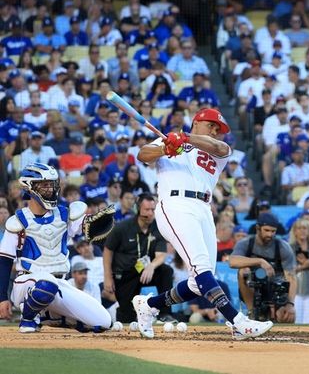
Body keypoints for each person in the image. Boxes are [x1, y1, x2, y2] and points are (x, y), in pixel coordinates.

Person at [132, 108, 272, 339]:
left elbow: (218, 147)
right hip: (175, 204)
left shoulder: (219, 150)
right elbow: (143, 154)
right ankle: (238, 321)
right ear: (197, 122)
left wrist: (184, 138)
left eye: (219, 129)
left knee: (200, 282)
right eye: (212, 126)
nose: (216, 132)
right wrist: (164, 147)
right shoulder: (169, 140)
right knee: (201, 268)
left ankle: (149, 305)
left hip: (203, 209)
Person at [0, 163, 112, 333]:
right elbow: (4, 262)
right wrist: (2, 298)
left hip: (59, 282)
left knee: (103, 321)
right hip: (27, 283)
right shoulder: (17, 221)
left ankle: (53, 317)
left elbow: (87, 226)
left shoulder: (65, 214)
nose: (50, 189)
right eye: (44, 185)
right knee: (47, 283)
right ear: (30, 187)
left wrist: (95, 224)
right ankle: (28, 318)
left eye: (52, 184)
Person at [103, 193, 174, 323]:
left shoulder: (157, 227)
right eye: (147, 210)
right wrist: (108, 277)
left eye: (153, 210)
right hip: (125, 273)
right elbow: (108, 251)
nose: (151, 213)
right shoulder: (122, 227)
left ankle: (165, 313)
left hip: (146, 271)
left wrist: (151, 266)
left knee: (166, 271)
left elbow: (161, 254)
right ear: (138, 209)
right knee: (127, 316)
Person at [229, 213, 297, 324]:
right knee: (243, 271)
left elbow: (291, 276)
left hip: (276, 289)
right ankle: (251, 312)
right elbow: (232, 262)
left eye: (273, 231)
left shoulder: (282, 247)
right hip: (253, 287)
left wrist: (290, 304)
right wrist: (260, 261)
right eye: (267, 230)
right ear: (257, 228)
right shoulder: (246, 243)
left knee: (286, 317)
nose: (270, 234)